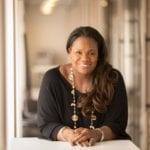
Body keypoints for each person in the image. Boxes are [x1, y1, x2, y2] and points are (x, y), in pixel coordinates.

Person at [37, 26, 131, 146]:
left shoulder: (113, 78)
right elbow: (46, 123)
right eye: (78, 52)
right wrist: (69, 135)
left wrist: (96, 134)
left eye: (91, 53)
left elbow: (118, 124)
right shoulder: (52, 79)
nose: (85, 59)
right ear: (69, 51)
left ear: (99, 54)